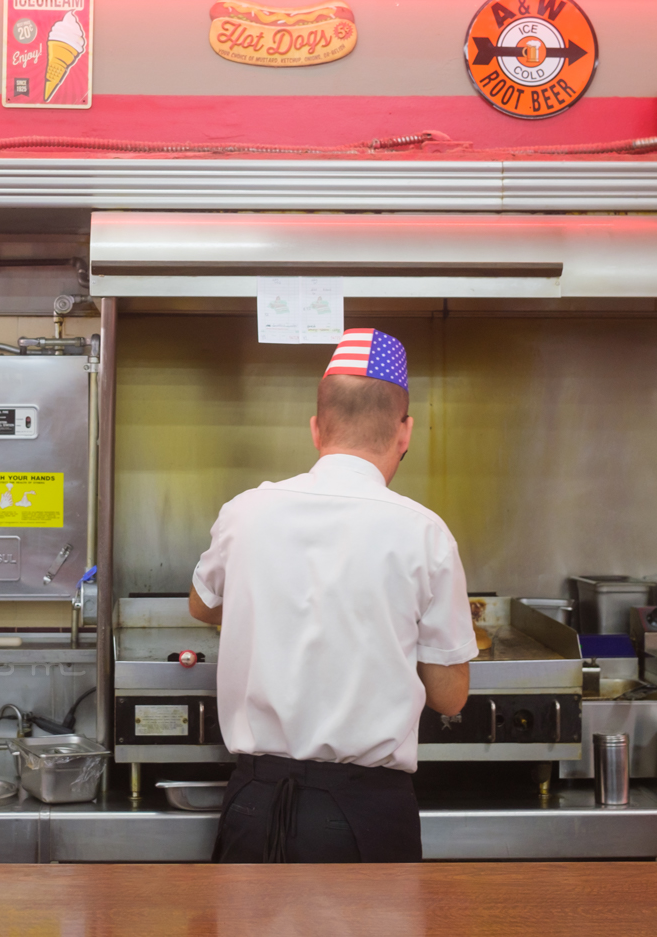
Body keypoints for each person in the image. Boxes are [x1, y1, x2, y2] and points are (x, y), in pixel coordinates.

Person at [189, 327, 476, 863]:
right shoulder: (424, 533)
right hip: (364, 815)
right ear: (405, 431)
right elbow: (449, 696)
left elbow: (202, 604)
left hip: (255, 805)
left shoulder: (246, 511)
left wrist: (271, 604)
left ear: (317, 429)